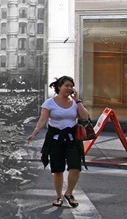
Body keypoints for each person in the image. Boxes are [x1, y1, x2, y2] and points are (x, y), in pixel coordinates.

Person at [26, 76, 89, 208]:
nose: (70, 88)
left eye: (71, 86)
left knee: (75, 167)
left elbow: (84, 117)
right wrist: (34, 134)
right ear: (59, 87)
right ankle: (58, 196)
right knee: (57, 170)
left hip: (72, 140)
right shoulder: (49, 103)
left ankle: (69, 193)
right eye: (67, 85)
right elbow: (42, 121)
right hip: (55, 140)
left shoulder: (75, 103)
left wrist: (78, 101)